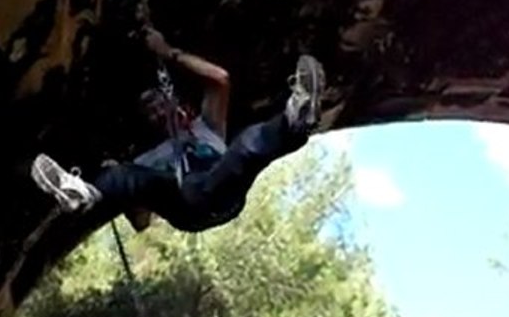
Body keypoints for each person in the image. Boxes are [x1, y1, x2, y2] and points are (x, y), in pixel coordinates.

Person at [30, 27, 326, 233]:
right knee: (129, 176)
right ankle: (81, 194)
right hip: (185, 206)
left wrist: (167, 51)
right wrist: (121, 188)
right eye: (150, 112)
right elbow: (142, 222)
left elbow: (220, 79)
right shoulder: (148, 159)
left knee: (247, 145)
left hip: (221, 192)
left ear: (179, 102)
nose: (157, 112)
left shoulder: (207, 127)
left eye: (158, 103)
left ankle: (296, 118)